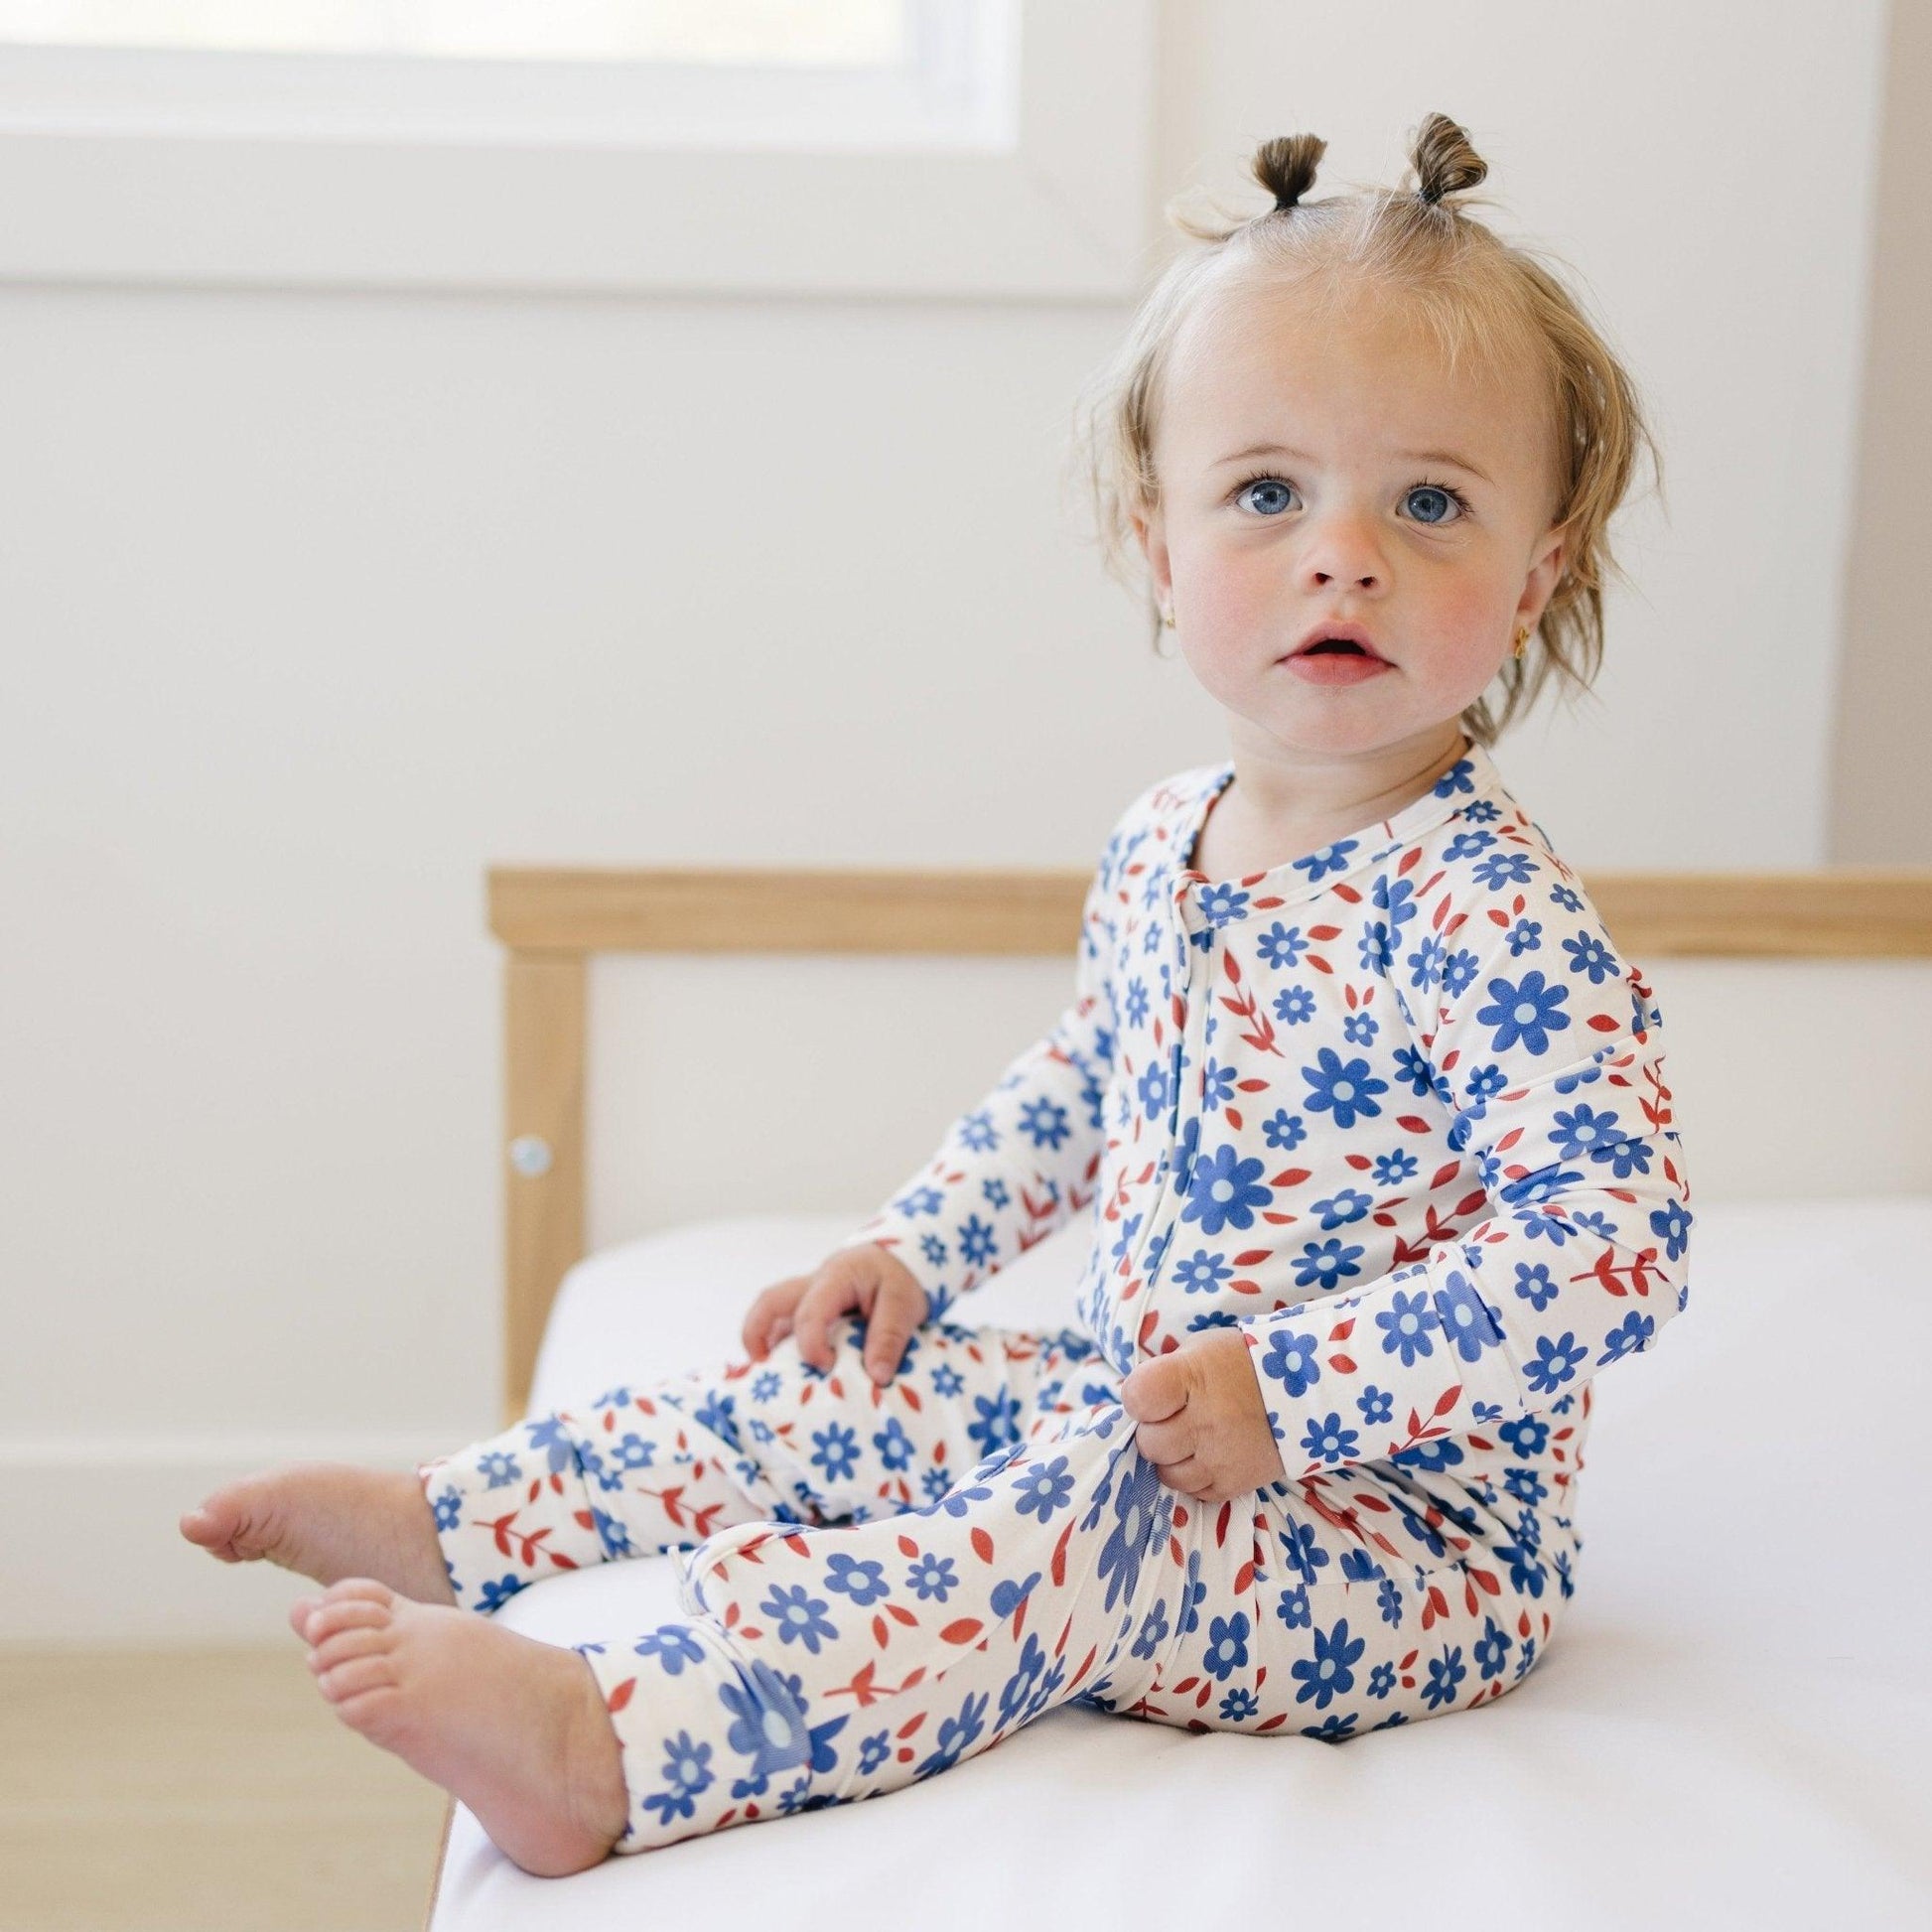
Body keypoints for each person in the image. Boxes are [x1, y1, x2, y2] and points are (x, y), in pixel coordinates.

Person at [179, 110, 1693, 1877]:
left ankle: (619, 1738)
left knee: (1064, 1521)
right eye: (1266, 491)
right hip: (1148, 1391)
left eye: (1427, 501)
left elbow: (1611, 1238)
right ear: (1156, 543)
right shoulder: (1164, 840)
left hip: (1394, 1532)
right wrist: (915, 1247)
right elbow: (1083, 1080)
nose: (1340, 552)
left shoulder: (1487, 911)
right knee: (864, 1394)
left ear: (1537, 571)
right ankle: (464, 1519)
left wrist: (1291, 1392)